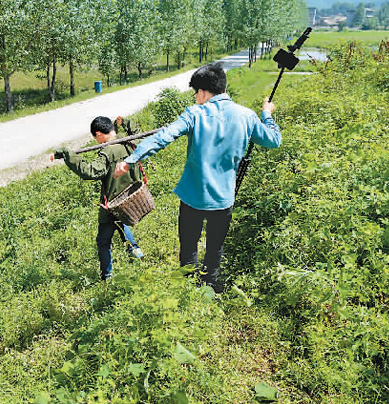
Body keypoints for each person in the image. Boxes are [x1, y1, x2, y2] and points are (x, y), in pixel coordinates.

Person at [114, 62, 282, 292]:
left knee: (189, 246)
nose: (195, 98)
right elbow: (273, 140)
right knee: (215, 248)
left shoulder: (195, 113)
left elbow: (163, 137)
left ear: (202, 92)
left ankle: (187, 291)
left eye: (195, 93)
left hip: (193, 197)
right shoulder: (248, 116)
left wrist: (131, 159)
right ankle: (209, 288)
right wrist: (267, 114)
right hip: (223, 199)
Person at [53, 116, 144, 281]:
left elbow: (90, 172)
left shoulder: (107, 152)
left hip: (113, 203)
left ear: (99, 134)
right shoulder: (128, 143)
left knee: (103, 240)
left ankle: (107, 277)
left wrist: (68, 154)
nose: (96, 141)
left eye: (95, 138)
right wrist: (126, 123)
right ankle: (136, 253)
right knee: (121, 224)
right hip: (131, 198)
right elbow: (142, 137)